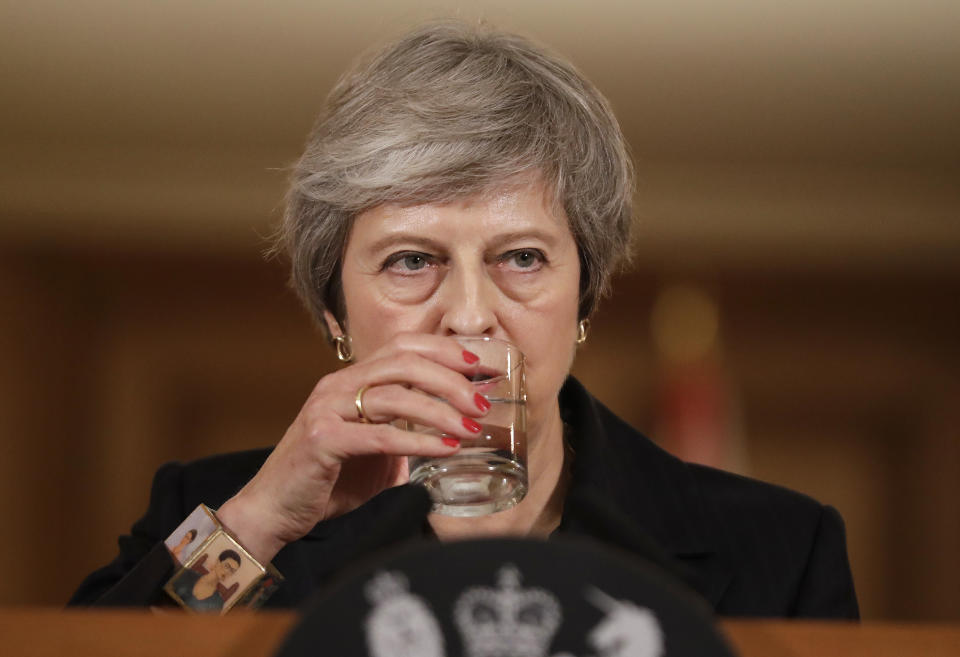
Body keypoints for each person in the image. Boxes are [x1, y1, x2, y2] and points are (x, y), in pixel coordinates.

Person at [69, 21, 858, 617]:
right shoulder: (214, 509)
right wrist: (261, 520)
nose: (471, 315)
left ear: (582, 300)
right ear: (334, 310)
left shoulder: (783, 549)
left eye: (521, 258)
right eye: (412, 260)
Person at [169, 549, 241, 612]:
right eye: (227, 566)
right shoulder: (188, 574)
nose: (228, 572)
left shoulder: (217, 603)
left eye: (232, 571)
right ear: (218, 561)